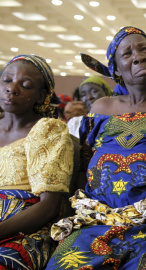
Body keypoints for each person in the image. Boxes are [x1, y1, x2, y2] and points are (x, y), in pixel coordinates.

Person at [46, 26, 146, 269]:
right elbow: (85, 168)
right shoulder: (100, 109)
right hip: (97, 223)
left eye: (145, 49)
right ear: (116, 69)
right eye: (127, 53)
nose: (139, 56)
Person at [0, 54, 73, 269]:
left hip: (23, 231)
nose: (12, 88)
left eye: (25, 85)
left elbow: (49, 207)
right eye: (7, 80)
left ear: (42, 96)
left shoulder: (47, 131)